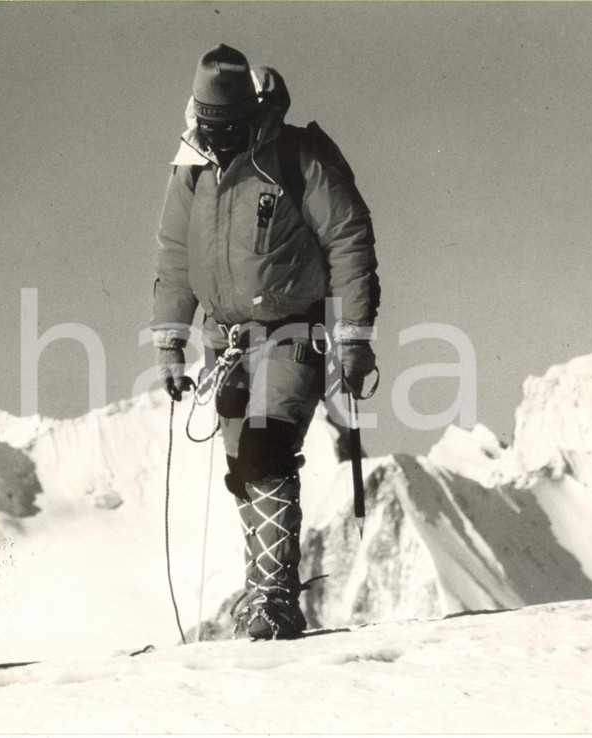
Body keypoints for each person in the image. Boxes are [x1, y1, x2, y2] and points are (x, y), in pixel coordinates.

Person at [150, 44, 380, 640]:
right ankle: (263, 597)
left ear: (250, 114)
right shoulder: (191, 167)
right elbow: (176, 258)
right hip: (225, 343)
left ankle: (274, 600)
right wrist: (171, 343)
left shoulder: (297, 157)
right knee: (241, 469)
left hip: (292, 330)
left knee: (266, 449)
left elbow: (349, 242)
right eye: (207, 125)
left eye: (225, 127)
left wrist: (353, 340)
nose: (215, 136)